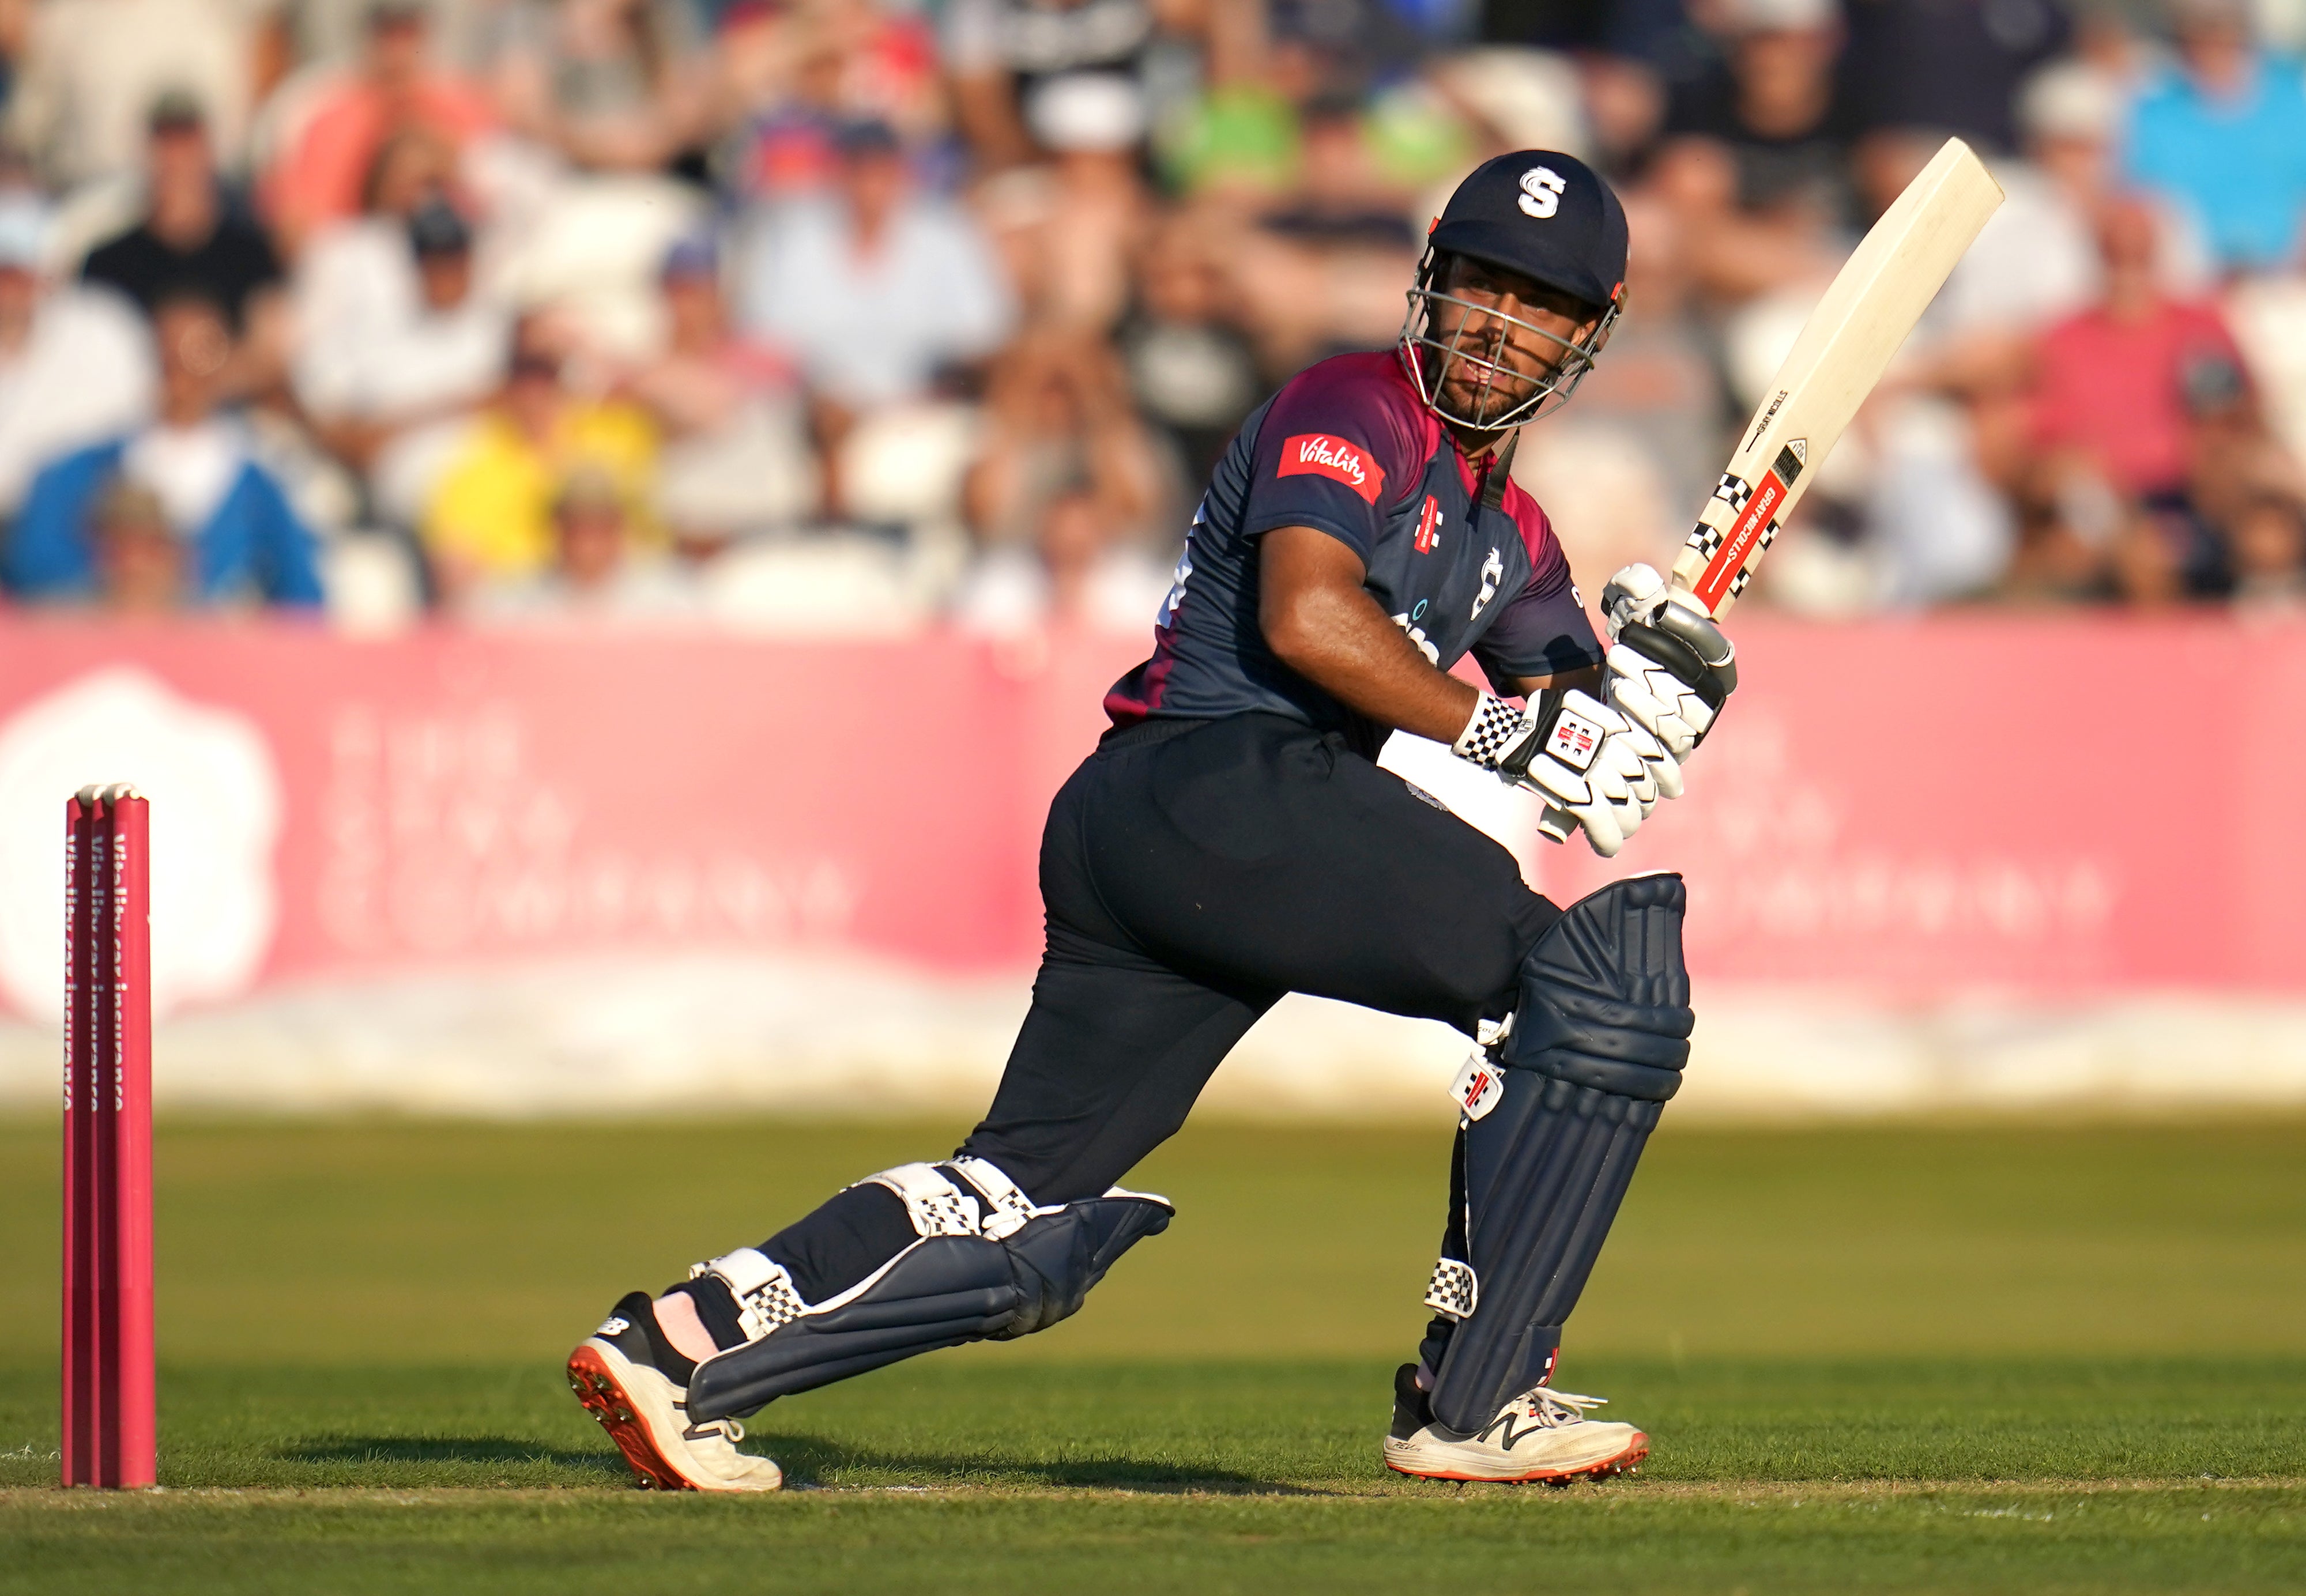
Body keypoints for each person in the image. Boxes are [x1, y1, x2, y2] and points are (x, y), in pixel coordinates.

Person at [567, 151, 1740, 1492]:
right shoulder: (1348, 402)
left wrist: (1658, 696)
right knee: (1589, 986)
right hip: (1208, 783)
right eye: (1481, 283)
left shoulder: (1514, 532)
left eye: (1538, 303)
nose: (1496, 323)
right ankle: (1477, 1395)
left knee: (1019, 1191)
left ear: (1586, 335)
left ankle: (678, 1345)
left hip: (1194, 846)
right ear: (1430, 279)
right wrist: (1508, 731)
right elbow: (1309, 618)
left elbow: (1572, 726)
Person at [2, 293, 323, 607]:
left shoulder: (261, 490)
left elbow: (302, 598)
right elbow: (34, 566)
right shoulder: (77, 472)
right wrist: (119, 580)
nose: (181, 368)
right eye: (167, 352)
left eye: (200, 352)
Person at [80, 92, 288, 396]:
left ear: (208, 150)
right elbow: (88, 356)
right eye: (165, 143)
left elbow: (271, 356)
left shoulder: (252, 253)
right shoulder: (107, 262)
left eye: (187, 142)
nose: (176, 158)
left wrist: (198, 380)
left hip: (230, 417)